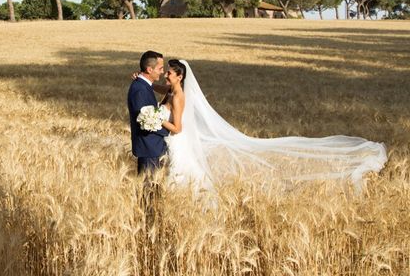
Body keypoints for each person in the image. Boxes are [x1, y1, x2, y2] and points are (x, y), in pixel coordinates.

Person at [133, 58, 388, 192]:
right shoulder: (170, 89)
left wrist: (157, 119)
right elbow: (158, 87)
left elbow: (177, 128)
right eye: (164, 71)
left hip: (177, 139)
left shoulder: (179, 96)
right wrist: (142, 79)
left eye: (169, 72)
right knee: (179, 174)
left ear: (180, 76)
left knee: (183, 173)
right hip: (173, 141)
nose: (165, 74)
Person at [127, 50, 168, 175]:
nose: (162, 72)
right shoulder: (140, 89)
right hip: (149, 147)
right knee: (149, 191)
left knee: (153, 190)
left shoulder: (144, 86)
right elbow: (144, 122)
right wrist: (168, 132)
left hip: (152, 147)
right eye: (160, 68)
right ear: (150, 69)